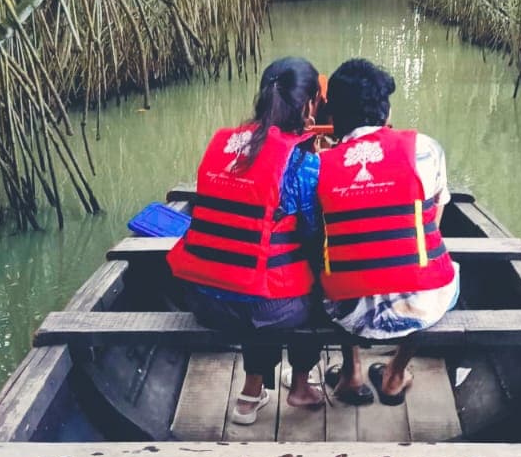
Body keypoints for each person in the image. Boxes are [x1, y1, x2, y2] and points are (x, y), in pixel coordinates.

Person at [168, 57, 324, 423]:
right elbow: (315, 236)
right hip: (265, 310)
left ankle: (250, 393)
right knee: (314, 289)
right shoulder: (303, 165)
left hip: (202, 299)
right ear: (308, 105)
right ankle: (300, 385)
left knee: (258, 283)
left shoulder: (224, 143)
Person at [316, 58, 459, 405]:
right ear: (386, 110)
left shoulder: (319, 165)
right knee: (437, 273)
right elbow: (434, 224)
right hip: (422, 304)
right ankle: (395, 374)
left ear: (332, 115)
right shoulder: (425, 148)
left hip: (346, 313)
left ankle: (351, 373)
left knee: (331, 262)